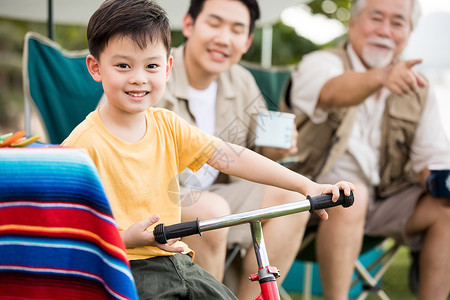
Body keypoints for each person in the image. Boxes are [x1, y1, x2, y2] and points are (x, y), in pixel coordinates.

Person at [62, 0, 354, 299]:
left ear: (167, 67)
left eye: (151, 66)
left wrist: (307, 184)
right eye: (123, 66)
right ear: (96, 68)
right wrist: (124, 239)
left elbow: (230, 157)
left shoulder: (168, 123)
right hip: (123, 265)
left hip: (173, 257)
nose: (138, 77)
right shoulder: (83, 145)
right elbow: (64, 231)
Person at [154, 0, 349, 297]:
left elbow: (257, 150)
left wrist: (278, 150)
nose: (224, 38)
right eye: (214, 23)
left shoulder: (240, 80)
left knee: (291, 203)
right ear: (190, 25)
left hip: (221, 192)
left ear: (246, 42)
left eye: (236, 30)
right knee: (210, 209)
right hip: (161, 200)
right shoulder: (152, 70)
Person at [287, 0, 450, 299]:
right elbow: (330, 91)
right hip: (311, 200)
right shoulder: (320, 63)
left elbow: (430, 159)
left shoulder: (419, 88)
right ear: (352, 24)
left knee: (446, 208)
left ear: (409, 32)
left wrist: (442, 182)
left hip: (384, 200)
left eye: (398, 22)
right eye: (376, 18)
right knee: (353, 195)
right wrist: (380, 77)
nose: (385, 31)